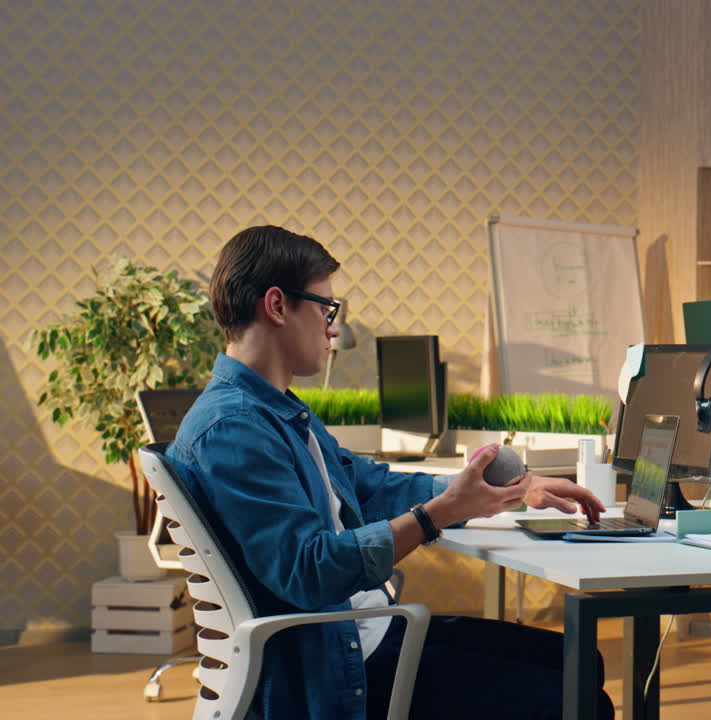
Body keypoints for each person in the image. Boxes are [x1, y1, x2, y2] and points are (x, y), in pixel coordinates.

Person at [166, 225, 614, 719]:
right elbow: (310, 571)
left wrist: (508, 489)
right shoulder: (235, 429)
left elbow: (370, 486)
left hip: (362, 635)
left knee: (580, 663)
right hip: (341, 667)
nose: (332, 328)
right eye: (325, 309)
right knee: (575, 693)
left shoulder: (273, 411)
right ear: (276, 306)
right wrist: (435, 515)